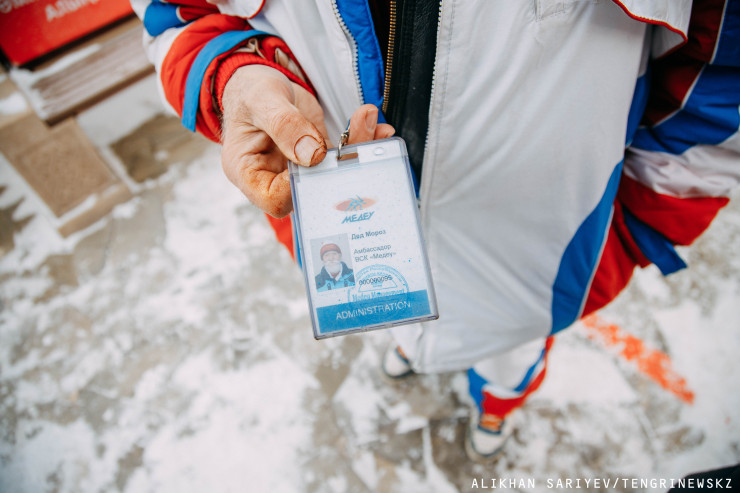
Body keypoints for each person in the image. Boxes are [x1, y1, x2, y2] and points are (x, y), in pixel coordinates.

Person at [131, 0, 740, 462]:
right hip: (348, 244)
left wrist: (630, 226)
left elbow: (723, 71)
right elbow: (174, 12)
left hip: (534, 262)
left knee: (511, 355)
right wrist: (231, 72)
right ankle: (407, 344)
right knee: (391, 316)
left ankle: (496, 409)